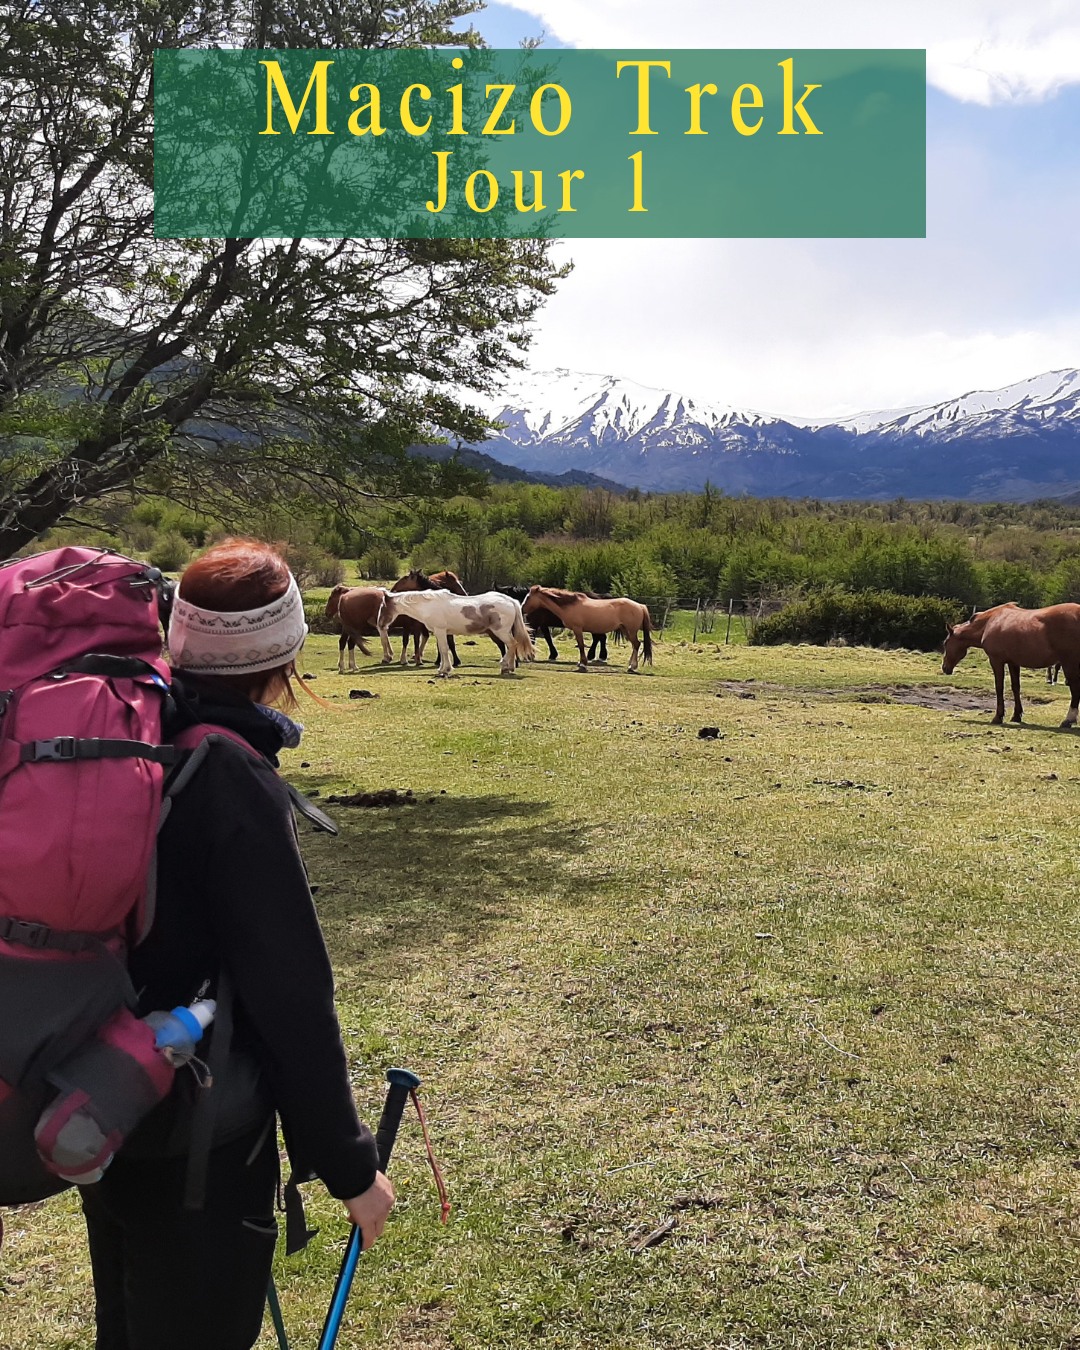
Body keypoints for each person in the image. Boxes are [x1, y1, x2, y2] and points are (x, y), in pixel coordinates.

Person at [79, 537, 394, 1350]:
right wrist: (350, 1167)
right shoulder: (230, 775)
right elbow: (288, 992)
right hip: (198, 1129)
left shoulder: (131, 736)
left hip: (97, 1096)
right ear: (284, 649)